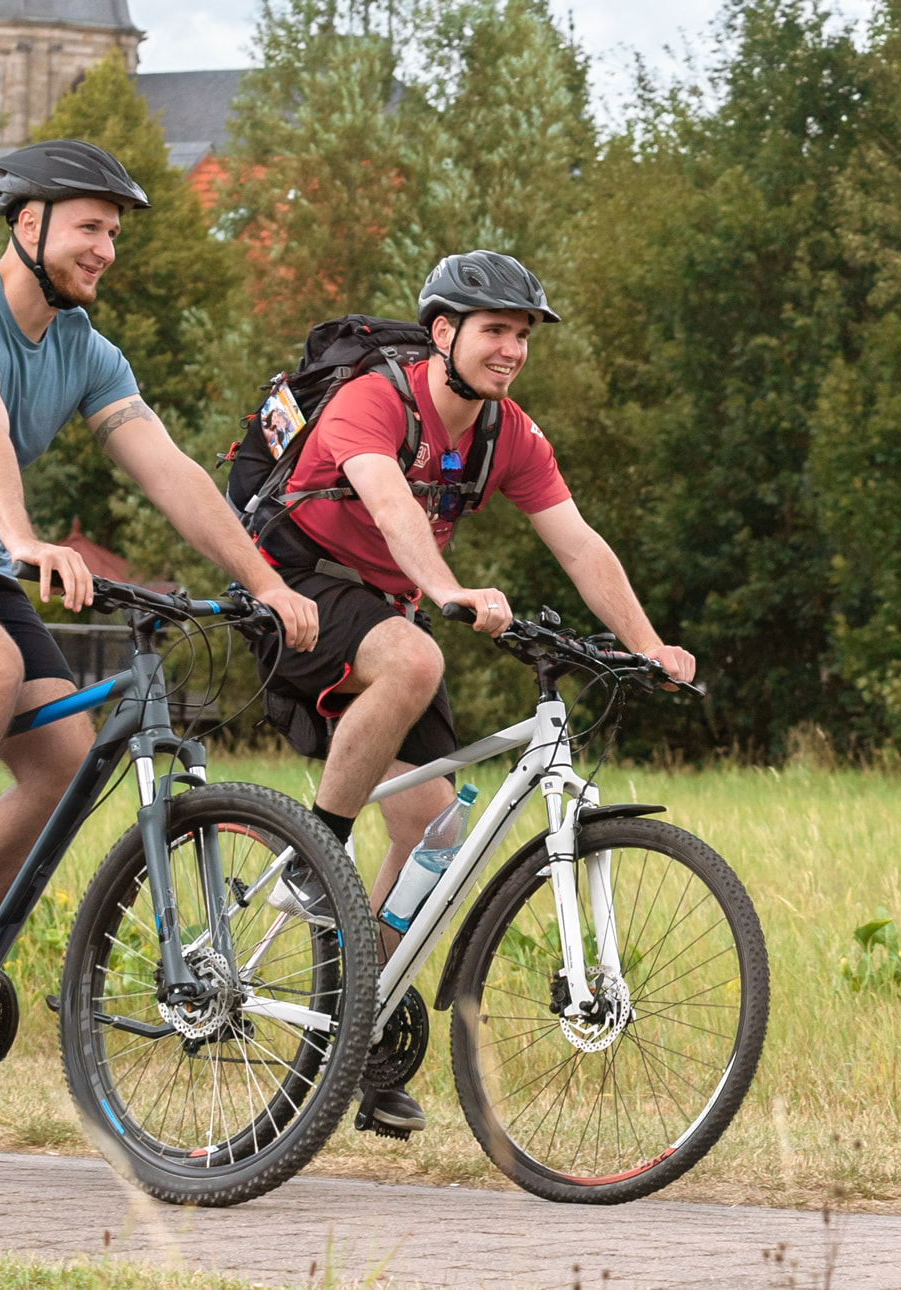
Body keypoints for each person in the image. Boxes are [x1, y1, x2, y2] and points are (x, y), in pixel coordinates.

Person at [0, 140, 322, 998]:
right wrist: (23, 540)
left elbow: (171, 473)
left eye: (114, 234)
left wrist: (266, 582)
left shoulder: (85, 351)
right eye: (90, 227)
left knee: (61, 762)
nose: (106, 251)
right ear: (28, 222)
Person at [252, 249, 695, 1136]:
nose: (511, 351)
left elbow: (576, 542)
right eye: (495, 331)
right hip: (293, 582)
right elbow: (385, 501)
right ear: (443, 332)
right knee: (417, 661)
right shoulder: (376, 397)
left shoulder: (509, 435)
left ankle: (353, 1021)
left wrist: (646, 645)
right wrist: (446, 589)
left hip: (386, 602)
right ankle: (315, 853)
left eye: (522, 336)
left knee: (437, 828)